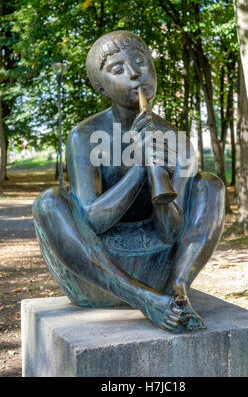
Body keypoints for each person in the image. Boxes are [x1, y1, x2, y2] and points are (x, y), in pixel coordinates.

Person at [33, 30, 225, 333]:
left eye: (140, 62)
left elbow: (172, 230)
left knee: (210, 185)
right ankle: (143, 300)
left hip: (159, 267)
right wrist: (139, 167)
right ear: (101, 87)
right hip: (98, 272)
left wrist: (159, 173)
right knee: (48, 202)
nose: (135, 74)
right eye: (117, 69)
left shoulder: (177, 141)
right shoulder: (84, 136)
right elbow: (91, 222)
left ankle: (178, 290)